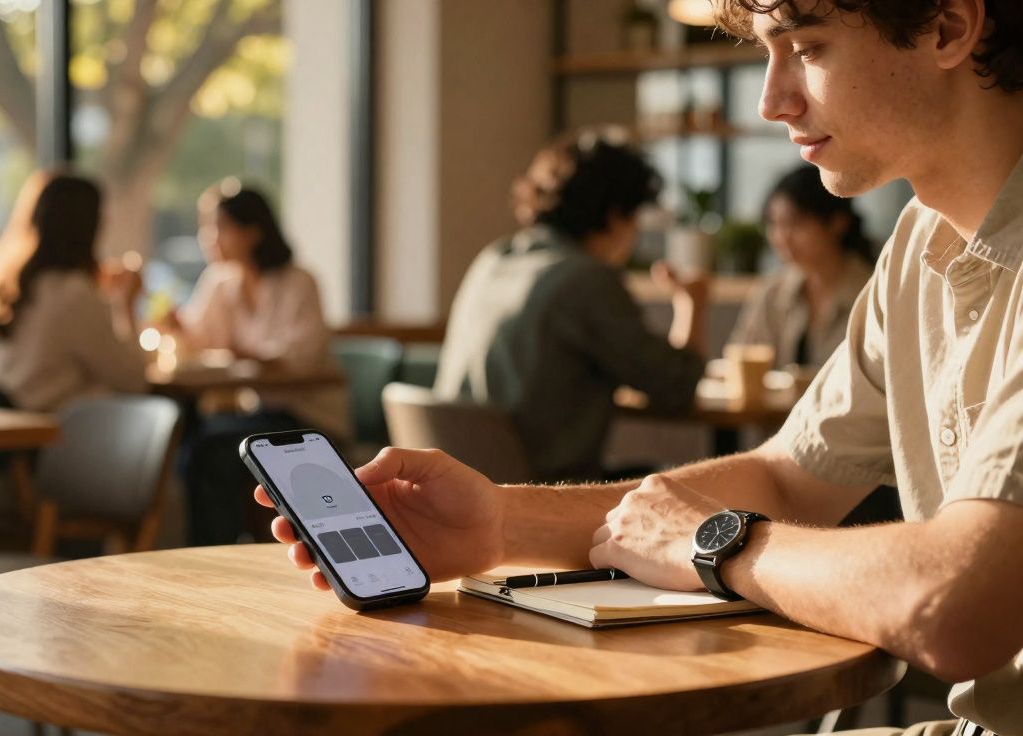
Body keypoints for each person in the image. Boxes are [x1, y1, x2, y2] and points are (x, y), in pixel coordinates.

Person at [260, 2, 1023, 735]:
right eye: (767, 53)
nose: (770, 101)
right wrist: (498, 522)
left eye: (807, 48)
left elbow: (958, 604)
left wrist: (720, 543)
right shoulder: (918, 247)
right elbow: (788, 480)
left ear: (948, 27)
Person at [434, 131, 708, 482]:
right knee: (691, 481)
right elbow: (675, 386)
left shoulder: (496, 258)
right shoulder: (585, 280)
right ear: (615, 216)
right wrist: (691, 303)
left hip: (464, 483)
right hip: (539, 490)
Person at [168, 179, 347, 545]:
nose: (208, 238)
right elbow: (200, 341)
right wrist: (172, 325)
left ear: (252, 232)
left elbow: (302, 357)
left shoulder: (298, 282)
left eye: (219, 227)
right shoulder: (221, 282)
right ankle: (209, 549)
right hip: (259, 412)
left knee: (211, 449)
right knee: (194, 442)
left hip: (306, 416)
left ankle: (216, 553)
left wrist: (246, 355)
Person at [0, 172, 147, 412]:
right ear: (92, 227)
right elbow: (132, 380)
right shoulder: (73, 295)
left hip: (1, 424)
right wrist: (126, 303)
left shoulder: (6, 285)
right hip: (48, 429)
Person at [728, 164, 875, 370]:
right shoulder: (773, 292)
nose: (782, 237)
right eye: (775, 224)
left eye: (795, 223)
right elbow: (740, 362)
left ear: (837, 223)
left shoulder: (872, 291)